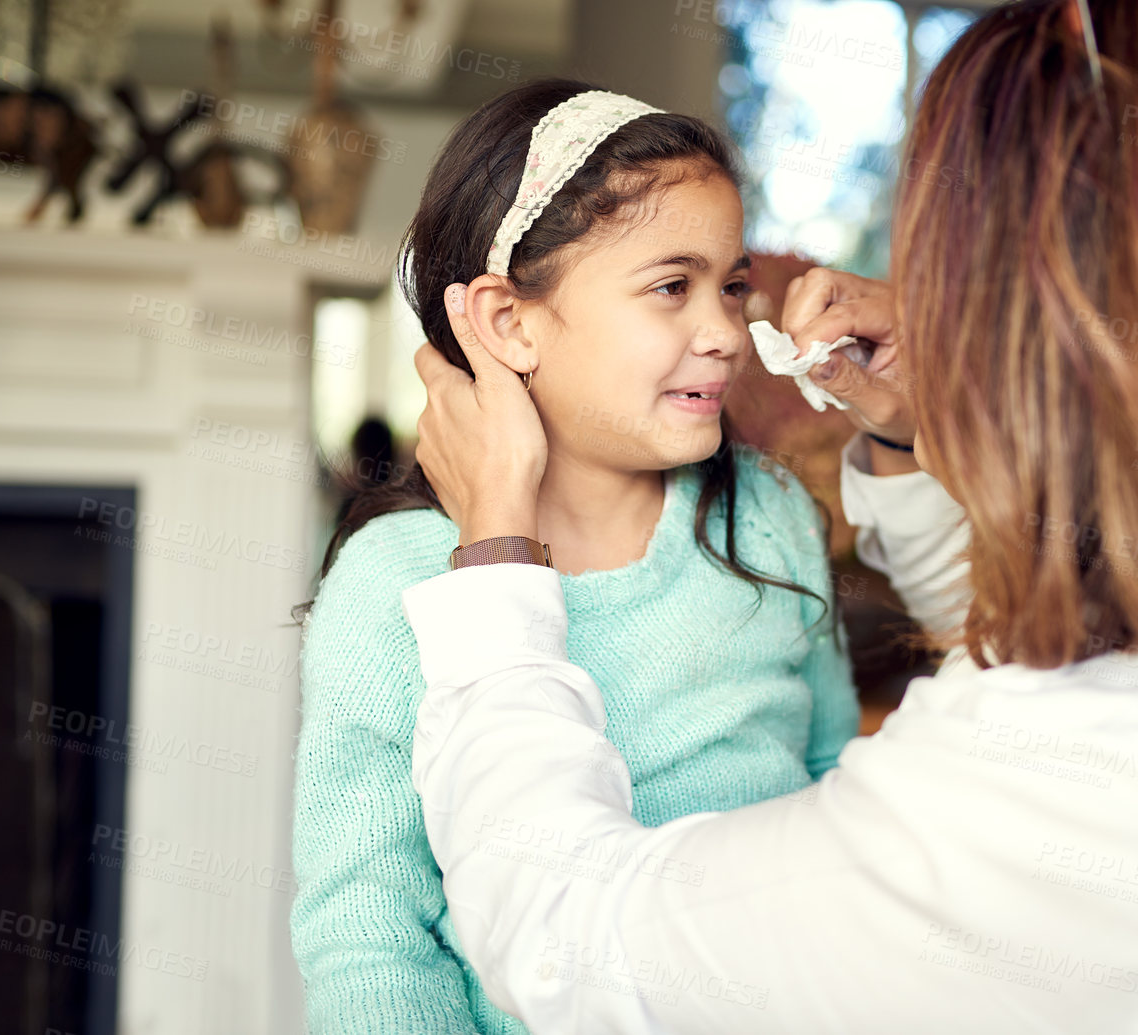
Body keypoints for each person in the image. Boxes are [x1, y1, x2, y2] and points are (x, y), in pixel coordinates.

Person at [399, 0, 1138, 1033]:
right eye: (671, 286)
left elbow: (567, 938)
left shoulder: (1091, 814)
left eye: (952, 270)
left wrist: (498, 558)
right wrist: (917, 427)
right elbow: (1037, 644)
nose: (722, 327)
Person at [289, 79, 861, 1034]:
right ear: (510, 324)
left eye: (729, 285)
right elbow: (368, 933)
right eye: (670, 286)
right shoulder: (396, 579)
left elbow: (834, 786)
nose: (725, 332)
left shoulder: (763, 519)